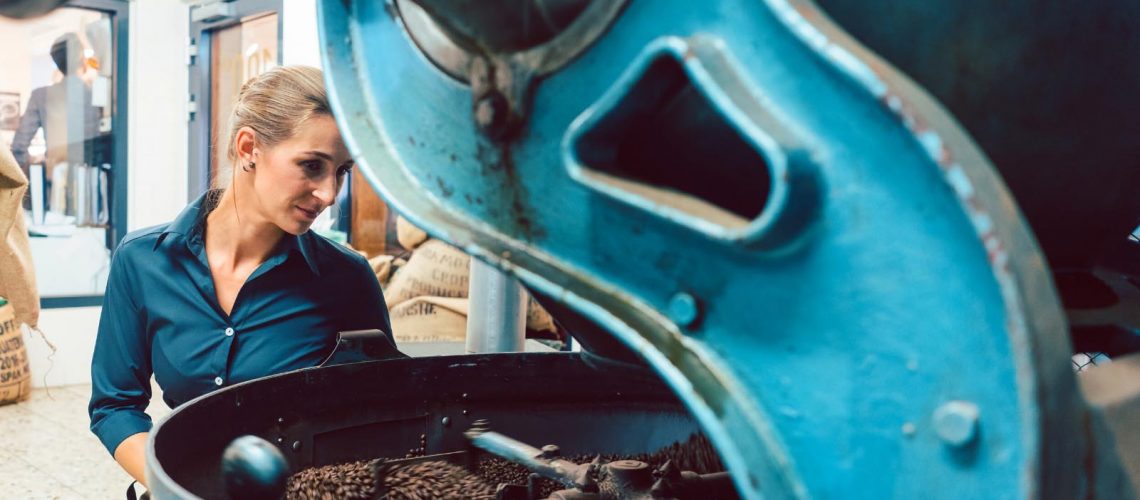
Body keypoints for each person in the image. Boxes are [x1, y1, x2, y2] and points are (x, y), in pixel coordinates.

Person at [88, 66, 395, 487]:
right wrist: (175, 490)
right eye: (311, 166)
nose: (328, 193)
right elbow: (114, 405)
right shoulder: (142, 261)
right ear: (249, 147)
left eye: (341, 171)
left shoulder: (346, 278)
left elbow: (385, 412)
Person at [9, 32, 101, 209]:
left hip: (55, 186)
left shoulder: (41, 96)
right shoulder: (96, 96)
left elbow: (19, 146)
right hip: (91, 188)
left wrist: (18, 191)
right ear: (82, 59)